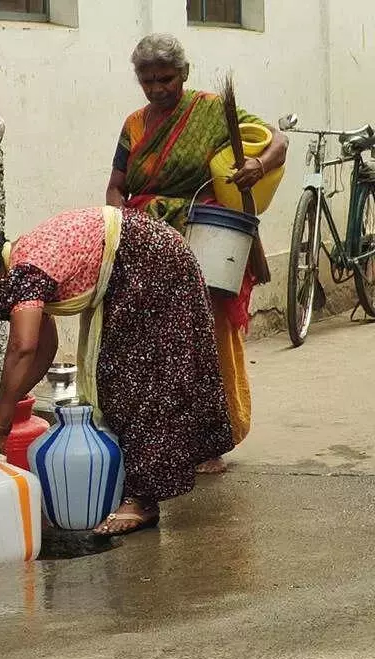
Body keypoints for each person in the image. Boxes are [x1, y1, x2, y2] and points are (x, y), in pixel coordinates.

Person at [0, 206, 234, 535]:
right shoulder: (25, 266)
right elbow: (44, 348)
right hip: (153, 253)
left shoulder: (26, 272)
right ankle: (157, 477)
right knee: (137, 375)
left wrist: (3, 420)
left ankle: (142, 499)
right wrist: (8, 401)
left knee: (131, 382)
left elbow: (21, 347)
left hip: (149, 262)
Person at [106, 33, 288, 472]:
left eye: (166, 79)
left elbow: (278, 141)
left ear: (183, 74)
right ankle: (160, 439)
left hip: (204, 241)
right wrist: (120, 223)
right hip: (148, 242)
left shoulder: (209, 110)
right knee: (153, 344)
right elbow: (116, 186)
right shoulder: (134, 126)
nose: (157, 89)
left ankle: (212, 441)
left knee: (204, 341)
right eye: (148, 81)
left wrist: (258, 165)